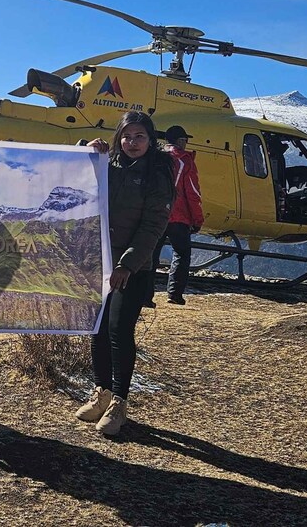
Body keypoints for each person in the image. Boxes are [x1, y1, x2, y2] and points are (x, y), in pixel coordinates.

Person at [75, 111, 174, 435]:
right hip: (99, 261)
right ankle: (101, 392)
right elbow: (72, 176)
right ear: (119, 137)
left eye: (140, 136)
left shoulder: (158, 173)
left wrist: (127, 265)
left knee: (118, 330)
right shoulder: (110, 164)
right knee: (98, 329)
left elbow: (153, 226)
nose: (132, 143)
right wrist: (85, 149)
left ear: (151, 139)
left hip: (132, 269)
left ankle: (119, 402)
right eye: (127, 136)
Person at [147, 125, 203, 306]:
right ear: (180, 141)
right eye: (185, 140)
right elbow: (192, 192)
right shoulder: (184, 161)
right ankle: (174, 294)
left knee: (150, 254)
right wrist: (197, 219)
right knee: (181, 253)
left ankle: (145, 296)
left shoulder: (155, 157)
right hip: (178, 216)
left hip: (155, 214)